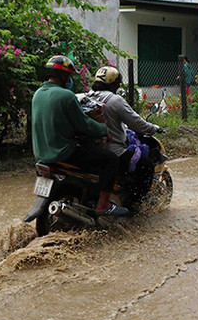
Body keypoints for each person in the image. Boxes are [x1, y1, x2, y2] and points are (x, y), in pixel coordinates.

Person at [31, 55, 129, 217]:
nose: (69, 80)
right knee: (110, 159)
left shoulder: (38, 94)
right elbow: (84, 125)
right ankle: (103, 206)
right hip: (63, 153)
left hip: (41, 154)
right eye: (68, 76)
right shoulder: (65, 96)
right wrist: (104, 130)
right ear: (63, 76)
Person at [85, 65, 163, 173]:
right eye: (118, 83)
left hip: (90, 149)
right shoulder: (115, 100)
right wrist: (153, 128)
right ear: (114, 84)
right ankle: (137, 190)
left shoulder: (87, 96)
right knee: (146, 165)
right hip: (113, 150)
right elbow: (136, 122)